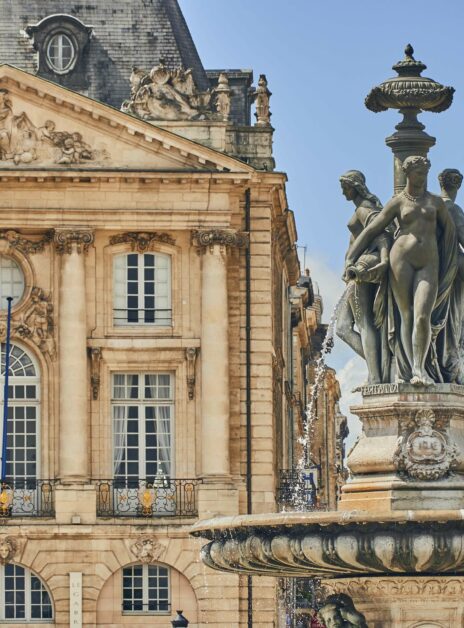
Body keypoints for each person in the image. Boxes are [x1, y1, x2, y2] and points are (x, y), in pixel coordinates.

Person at [345, 156, 457, 385]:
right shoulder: (397, 202)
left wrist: (450, 265)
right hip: (401, 260)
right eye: (418, 174)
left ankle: (419, 368)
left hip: (429, 263)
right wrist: (350, 258)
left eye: (425, 174)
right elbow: (371, 230)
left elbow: (451, 235)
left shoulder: (436, 203)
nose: (422, 179)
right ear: (407, 173)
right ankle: (407, 370)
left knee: (422, 315)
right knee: (405, 315)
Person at [336, 170, 391, 383]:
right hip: (358, 268)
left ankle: (376, 377)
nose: (343, 193)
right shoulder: (364, 207)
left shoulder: (364, 209)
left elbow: (382, 233)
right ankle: (376, 369)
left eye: (345, 188)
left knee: (364, 323)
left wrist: (383, 260)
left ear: (355, 186)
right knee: (342, 327)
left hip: (361, 268)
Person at [437, 169, 464, 383]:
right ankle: (452, 366)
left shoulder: (430, 207)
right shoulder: (452, 209)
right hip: (452, 273)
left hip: (431, 271)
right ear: (457, 187)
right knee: (453, 321)